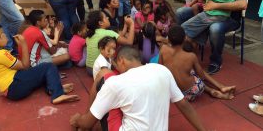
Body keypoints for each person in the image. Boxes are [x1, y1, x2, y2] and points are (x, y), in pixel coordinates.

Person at [70, 46, 206, 131]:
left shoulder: (115, 82)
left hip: (117, 121)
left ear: (121, 60)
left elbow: (86, 123)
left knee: (105, 78)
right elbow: (184, 105)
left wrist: (77, 119)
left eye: (117, 66)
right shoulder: (162, 70)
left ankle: (93, 116)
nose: (118, 70)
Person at [176, 0, 247, 74]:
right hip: (208, 11)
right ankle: (187, 50)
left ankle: (215, 61)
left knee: (214, 28)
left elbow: (242, 4)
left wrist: (216, 5)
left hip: (229, 18)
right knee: (181, 12)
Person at [0, 23, 80, 104]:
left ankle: (54, 88)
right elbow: (25, 66)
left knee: (39, 71)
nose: (6, 36)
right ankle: (57, 95)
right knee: (48, 66)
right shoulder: (1, 54)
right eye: (2, 35)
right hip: (14, 87)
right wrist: (23, 44)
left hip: (10, 88)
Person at [159, 25, 236, 101]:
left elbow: (160, 68)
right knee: (193, 71)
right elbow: (202, 76)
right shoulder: (191, 56)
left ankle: (211, 90)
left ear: (168, 40)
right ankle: (220, 87)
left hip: (173, 93)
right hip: (192, 91)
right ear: (184, 38)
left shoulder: (163, 49)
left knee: (177, 71)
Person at [85, 11, 135, 76]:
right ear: (100, 23)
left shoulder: (89, 35)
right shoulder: (107, 32)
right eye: (105, 17)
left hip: (89, 68)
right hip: (101, 69)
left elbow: (120, 36)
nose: (108, 18)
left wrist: (125, 24)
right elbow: (129, 42)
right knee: (122, 53)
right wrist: (132, 24)